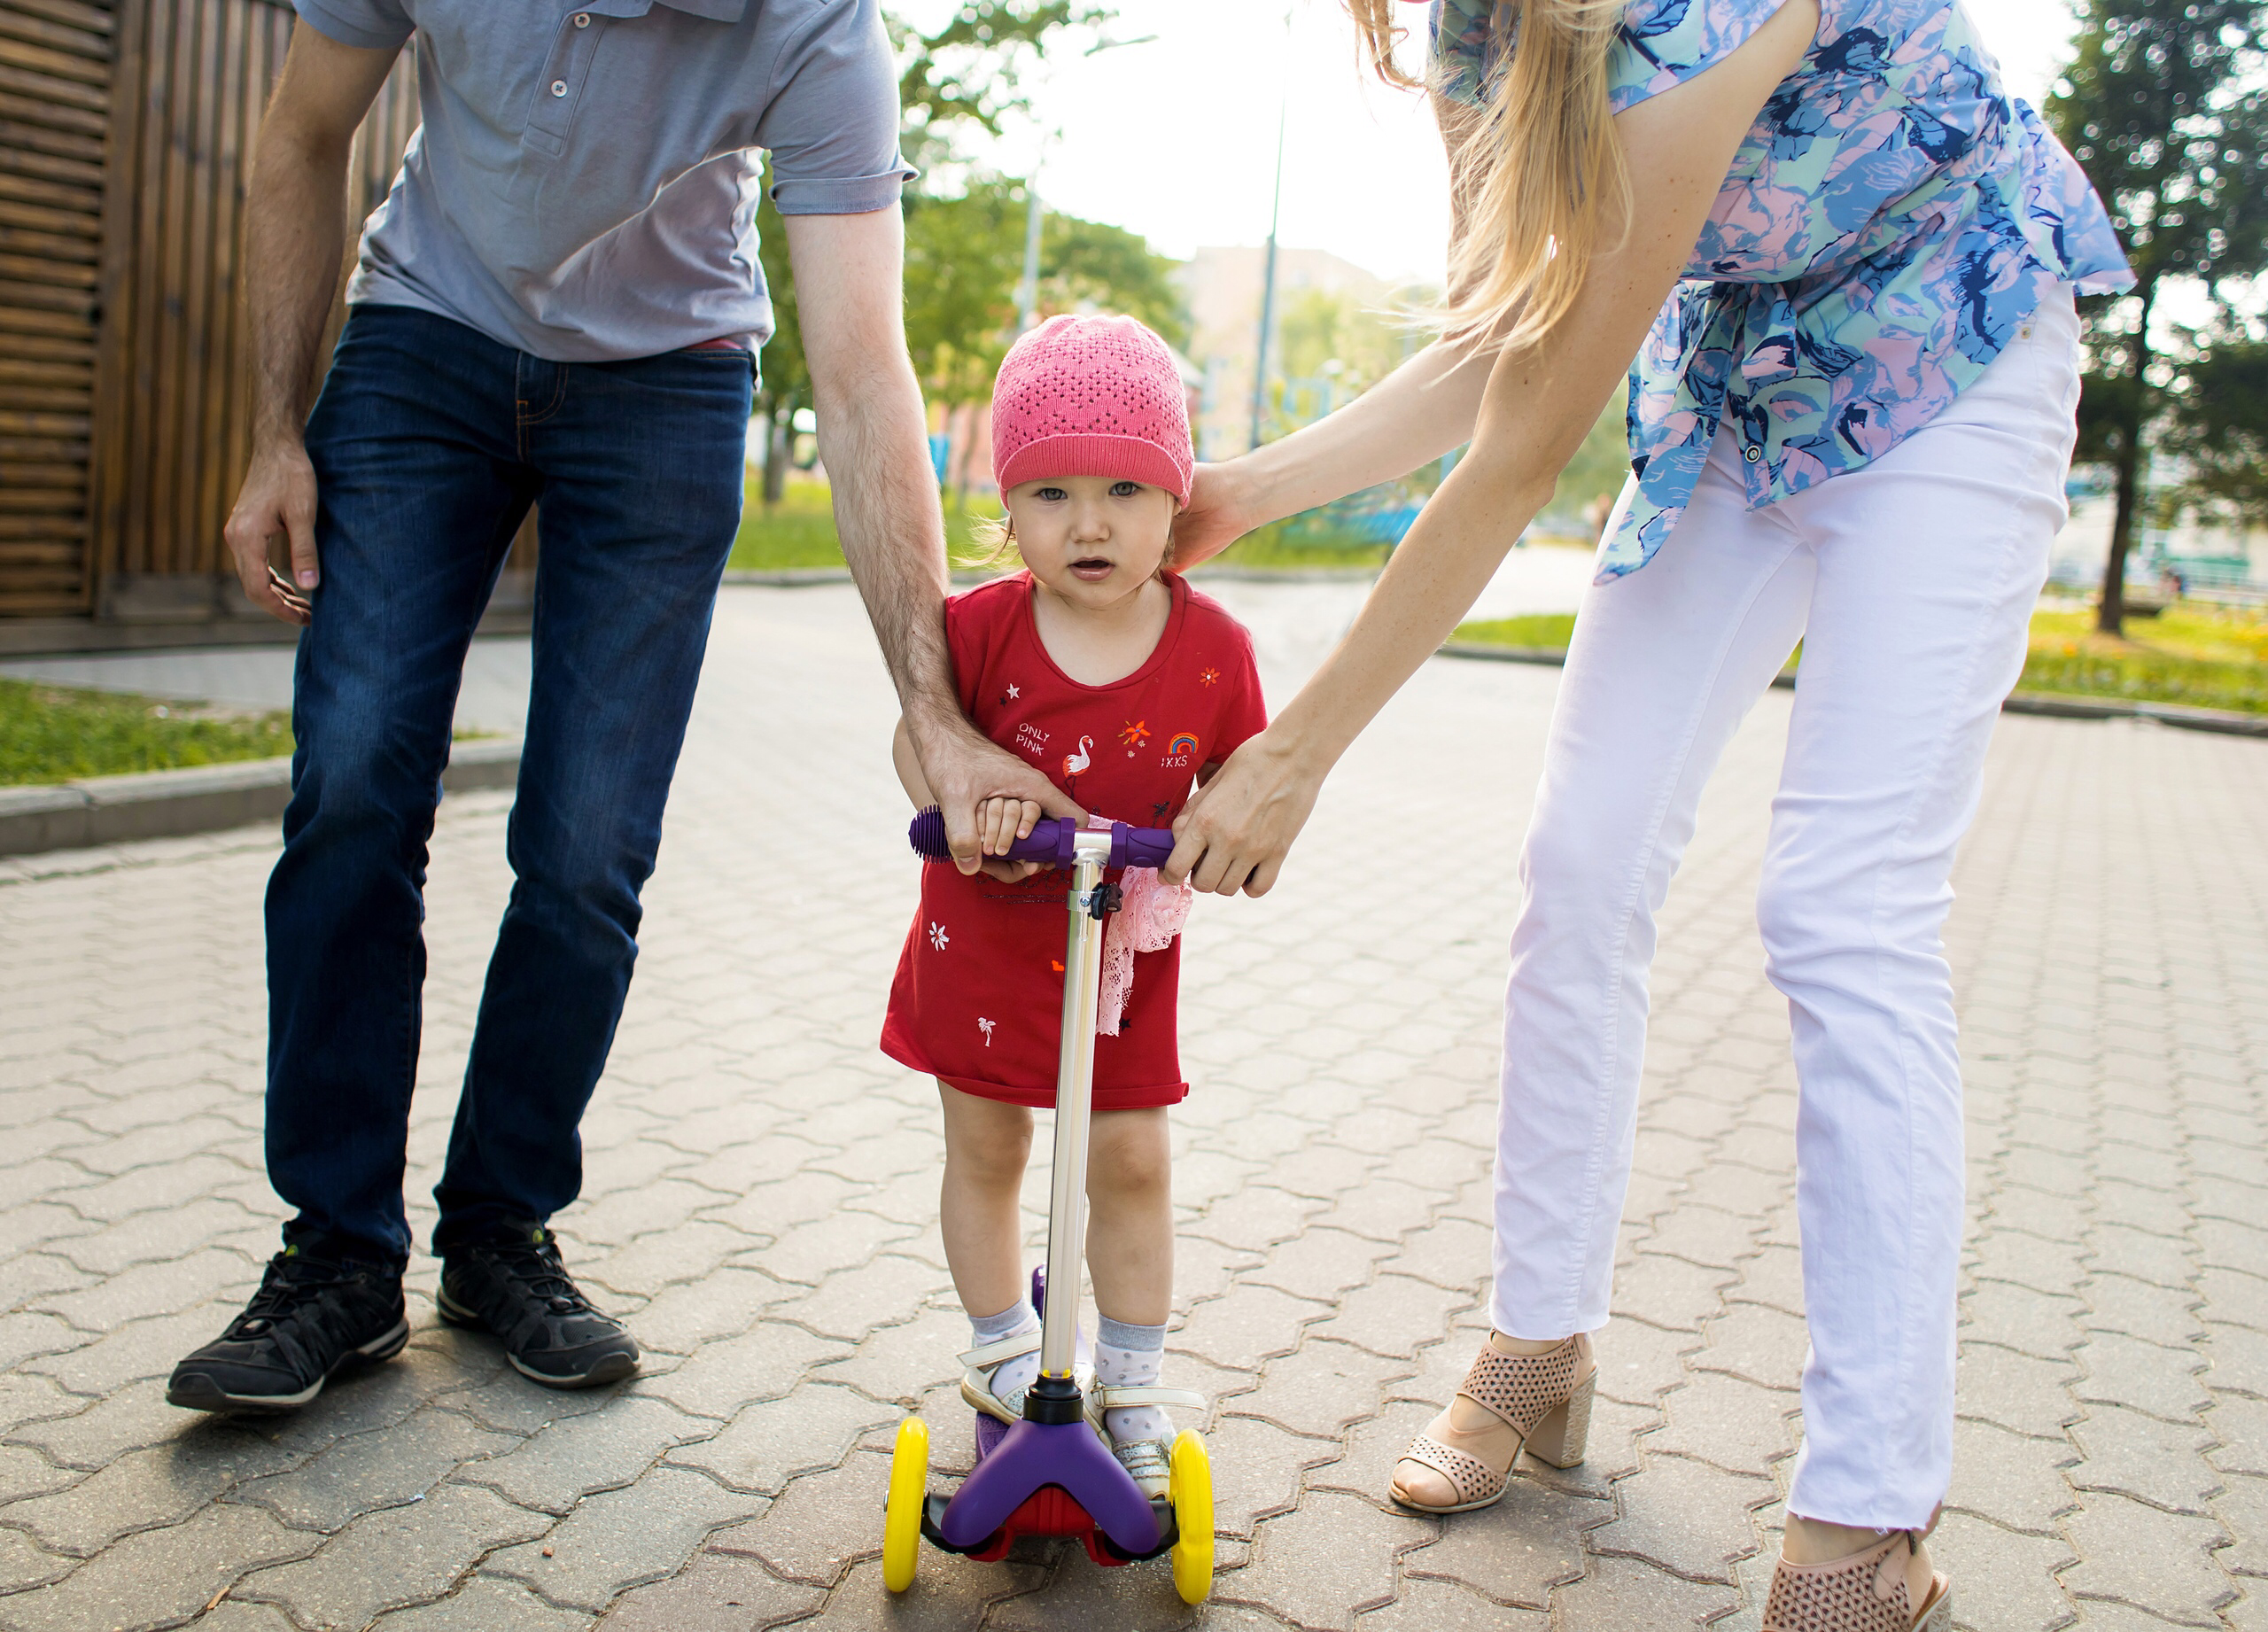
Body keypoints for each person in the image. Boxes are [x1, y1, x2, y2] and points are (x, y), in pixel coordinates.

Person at [1158, 0, 2131, 1624]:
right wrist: (1252, 490)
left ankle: (1868, 1516)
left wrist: (1298, 749)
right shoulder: (1471, 37)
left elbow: (1525, 453)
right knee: (1584, 856)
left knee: (1843, 906)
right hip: (1736, 380)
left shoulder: (1712, 14)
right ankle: (1540, 1343)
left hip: (1949, 350)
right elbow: (1500, 342)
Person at [168, 0, 1066, 1414]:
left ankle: (497, 1230)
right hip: (425, 337)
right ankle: (337, 1255)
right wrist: (278, 431)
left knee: (589, 849)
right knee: (351, 783)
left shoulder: (816, 26)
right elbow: (301, 135)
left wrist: (931, 702)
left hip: (670, 382)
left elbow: (860, 361)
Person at [882, 316, 1267, 1496]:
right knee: (989, 1145)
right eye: (1050, 491)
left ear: (1176, 497)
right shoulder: (976, 628)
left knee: (1133, 1159)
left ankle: (1136, 1383)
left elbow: (1245, 786)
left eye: (1123, 489)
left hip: (1120, 965)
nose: (1089, 523)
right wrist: (954, 804)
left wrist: (1222, 841)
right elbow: (917, 741)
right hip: (986, 942)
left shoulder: (1213, 647)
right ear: (1009, 504)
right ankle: (1002, 1342)